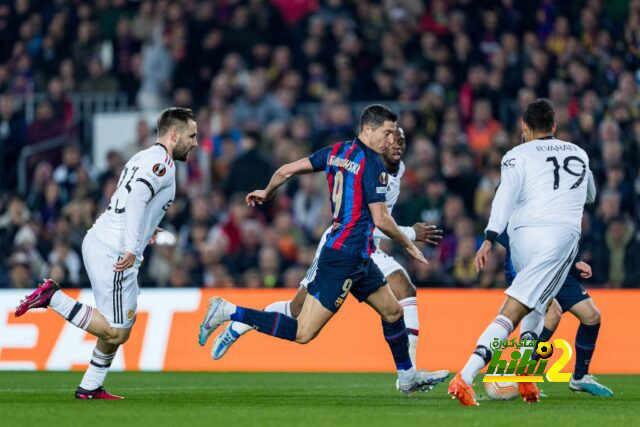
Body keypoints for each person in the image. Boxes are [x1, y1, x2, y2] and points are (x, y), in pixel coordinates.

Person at [198, 104, 449, 393]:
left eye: (394, 134)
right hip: (342, 257)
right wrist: (409, 243)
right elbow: (381, 218)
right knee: (303, 332)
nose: (391, 139)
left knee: (393, 312)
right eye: (387, 133)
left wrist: (267, 192)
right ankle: (230, 311)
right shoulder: (374, 166)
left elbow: (287, 169)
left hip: (360, 256)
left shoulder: (337, 151)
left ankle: (407, 377)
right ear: (367, 129)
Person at [15, 107, 198, 399]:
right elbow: (137, 197)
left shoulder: (143, 156)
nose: (195, 142)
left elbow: (129, 200)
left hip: (107, 242)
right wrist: (130, 245)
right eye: (192, 135)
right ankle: (54, 298)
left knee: (122, 321)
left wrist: (148, 229)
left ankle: (90, 386)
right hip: (114, 251)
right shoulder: (162, 163)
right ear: (174, 135)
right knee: (117, 330)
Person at [448, 99, 596, 406]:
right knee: (512, 312)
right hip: (558, 239)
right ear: (554, 126)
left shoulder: (515, 154)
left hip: (521, 238)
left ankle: (524, 377)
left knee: (538, 309)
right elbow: (591, 194)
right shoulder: (578, 154)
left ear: (524, 127)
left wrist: (489, 237)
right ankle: (465, 375)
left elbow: (504, 196)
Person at [498, 232, 613, 397]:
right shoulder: (524, 209)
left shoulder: (565, 209)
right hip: (530, 269)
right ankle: (523, 376)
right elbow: (502, 231)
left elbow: (566, 232)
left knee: (592, 316)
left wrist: (577, 260)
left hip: (557, 269)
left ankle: (580, 377)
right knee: (552, 313)